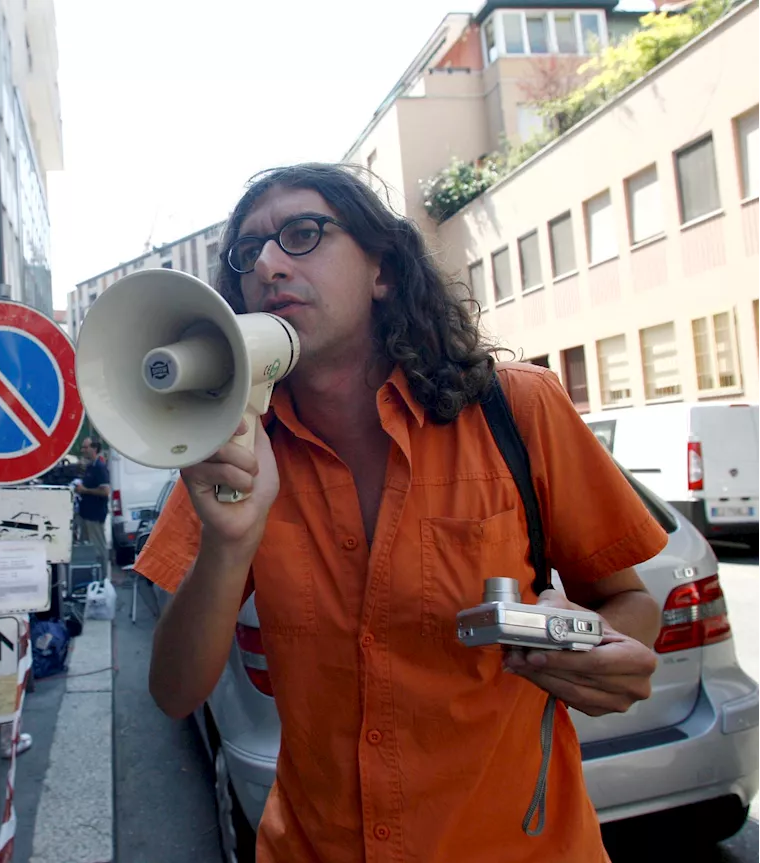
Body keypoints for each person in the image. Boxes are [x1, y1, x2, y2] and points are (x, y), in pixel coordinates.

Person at [135, 163, 667, 862]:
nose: (265, 264)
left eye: (302, 233)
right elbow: (175, 692)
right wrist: (228, 547)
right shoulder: (232, 449)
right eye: (247, 253)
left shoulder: (518, 408)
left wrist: (604, 656)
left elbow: (629, 599)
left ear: (381, 270)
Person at [74, 437, 111, 580]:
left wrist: (84, 490)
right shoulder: (90, 467)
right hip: (86, 514)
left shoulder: (99, 468)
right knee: (87, 547)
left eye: (85, 447)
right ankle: (90, 577)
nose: (83, 450)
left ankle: (103, 578)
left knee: (98, 547)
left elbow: (105, 491)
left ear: (94, 448)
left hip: (95, 515)